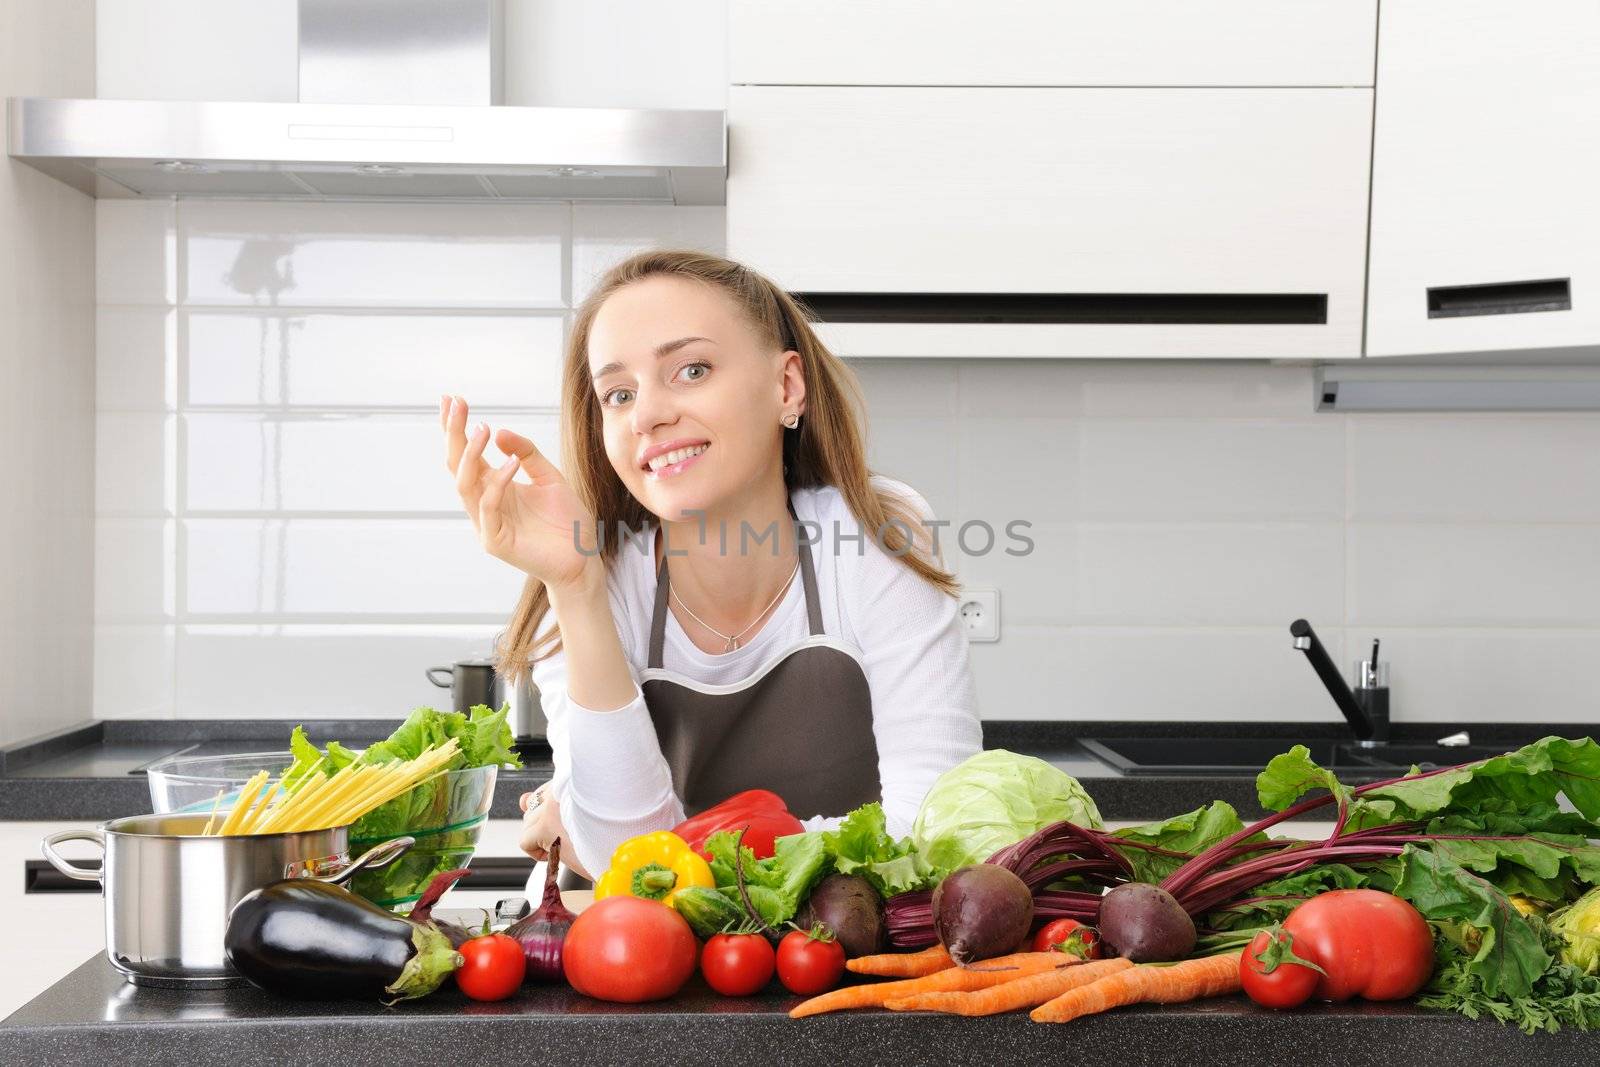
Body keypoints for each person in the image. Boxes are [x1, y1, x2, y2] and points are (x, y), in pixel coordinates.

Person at [439, 250, 983, 884]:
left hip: (844, 954)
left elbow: (937, 833)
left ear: (786, 386)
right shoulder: (582, 572)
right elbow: (635, 871)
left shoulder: (873, 530)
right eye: (618, 393)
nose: (647, 415)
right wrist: (577, 587)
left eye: (691, 370)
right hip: (627, 960)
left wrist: (618, 836)